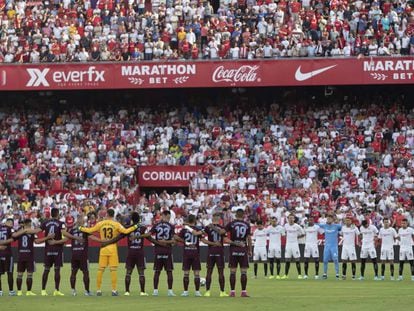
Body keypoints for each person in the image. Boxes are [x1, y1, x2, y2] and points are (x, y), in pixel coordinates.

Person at [79, 208, 139, 296]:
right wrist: (135, 226)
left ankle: (98, 290)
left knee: (100, 269)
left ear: (107, 214)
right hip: (112, 248)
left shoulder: (101, 223)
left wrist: (80, 228)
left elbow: (90, 230)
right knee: (113, 270)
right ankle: (114, 290)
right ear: (113, 215)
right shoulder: (116, 224)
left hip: (103, 248)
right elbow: (126, 231)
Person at [40, 207, 80, 296]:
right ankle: (56, 290)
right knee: (57, 270)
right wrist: (74, 237)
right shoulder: (60, 223)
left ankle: (43, 290)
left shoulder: (45, 223)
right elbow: (64, 234)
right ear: (57, 214)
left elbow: (37, 231)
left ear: (51, 214)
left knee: (46, 270)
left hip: (48, 249)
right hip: (57, 250)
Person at [11, 219, 54, 296]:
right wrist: (47, 238)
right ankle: (28, 291)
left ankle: (19, 292)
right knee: (29, 274)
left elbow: (13, 236)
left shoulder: (18, 232)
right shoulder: (32, 232)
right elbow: (37, 241)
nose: (31, 226)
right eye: (30, 225)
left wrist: (23, 231)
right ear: (28, 224)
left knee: (19, 274)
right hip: (29, 256)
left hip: (21, 255)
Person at [123, 212, 152, 296]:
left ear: (132, 219)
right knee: (141, 273)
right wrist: (157, 243)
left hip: (131, 252)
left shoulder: (128, 228)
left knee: (128, 272)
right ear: (139, 219)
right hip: (140, 252)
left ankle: (127, 291)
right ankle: (142, 291)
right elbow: (149, 238)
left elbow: (122, 232)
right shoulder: (143, 228)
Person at [226, 209, 252, 297]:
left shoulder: (231, 224)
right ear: (243, 215)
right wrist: (250, 250)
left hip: (233, 249)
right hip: (243, 249)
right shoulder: (247, 225)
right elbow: (249, 238)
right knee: (243, 272)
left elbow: (223, 233)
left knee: (232, 271)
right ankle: (243, 292)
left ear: (236, 215)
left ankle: (232, 292)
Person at [175, 215, 204, 297]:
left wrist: (185, 242)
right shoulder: (198, 229)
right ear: (195, 220)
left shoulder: (184, 230)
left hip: (186, 253)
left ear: (187, 220)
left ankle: (185, 292)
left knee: (186, 273)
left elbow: (177, 238)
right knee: (197, 274)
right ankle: (197, 292)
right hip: (195, 254)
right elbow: (202, 239)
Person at [150, 210, 176, 297]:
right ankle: (170, 291)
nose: (169, 219)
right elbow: (174, 241)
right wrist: (166, 241)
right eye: (168, 217)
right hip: (167, 251)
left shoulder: (156, 225)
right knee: (169, 271)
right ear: (164, 215)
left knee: (157, 271)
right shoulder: (171, 226)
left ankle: (155, 291)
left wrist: (156, 242)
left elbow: (148, 235)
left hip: (158, 251)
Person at [203, 213, 227, 297]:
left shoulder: (207, 227)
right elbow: (225, 238)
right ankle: (222, 292)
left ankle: (207, 291)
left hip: (211, 251)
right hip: (220, 251)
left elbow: (203, 240)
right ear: (219, 219)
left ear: (212, 218)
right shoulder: (222, 228)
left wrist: (212, 243)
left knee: (209, 271)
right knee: (221, 272)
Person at [318, 214, 342, 279]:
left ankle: (337, 274)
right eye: (327, 219)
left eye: (330, 219)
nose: (328, 220)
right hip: (327, 246)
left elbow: (344, 227)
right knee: (325, 260)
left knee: (335, 260)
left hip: (334, 246)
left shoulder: (337, 226)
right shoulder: (324, 226)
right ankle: (325, 274)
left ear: (333, 220)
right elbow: (316, 225)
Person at [282, 214, 304, 279]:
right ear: (288, 219)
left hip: (295, 244)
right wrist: (284, 236)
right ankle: (286, 275)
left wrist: (297, 237)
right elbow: (283, 232)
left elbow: (303, 233)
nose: (291, 219)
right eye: (290, 218)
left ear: (294, 219)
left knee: (297, 259)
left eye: (292, 218)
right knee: (287, 259)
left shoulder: (297, 226)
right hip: (288, 244)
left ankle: (299, 275)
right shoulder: (286, 225)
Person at [340, 215, 359, 280]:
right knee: (344, 261)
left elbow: (359, 234)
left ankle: (353, 276)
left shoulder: (354, 227)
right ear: (345, 221)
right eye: (346, 220)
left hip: (351, 246)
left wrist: (359, 242)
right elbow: (341, 234)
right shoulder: (343, 228)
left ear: (351, 221)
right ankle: (344, 275)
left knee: (353, 261)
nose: (347, 222)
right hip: (344, 246)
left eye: (349, 220)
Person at [0, 218, 15, 296]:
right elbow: (14, 237)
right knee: (10, 273)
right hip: (7, 253)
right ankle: (11, 291)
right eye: (12, 223)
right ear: (9, 223)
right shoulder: (10, 229)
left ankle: (0, 292)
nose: (12, 225)